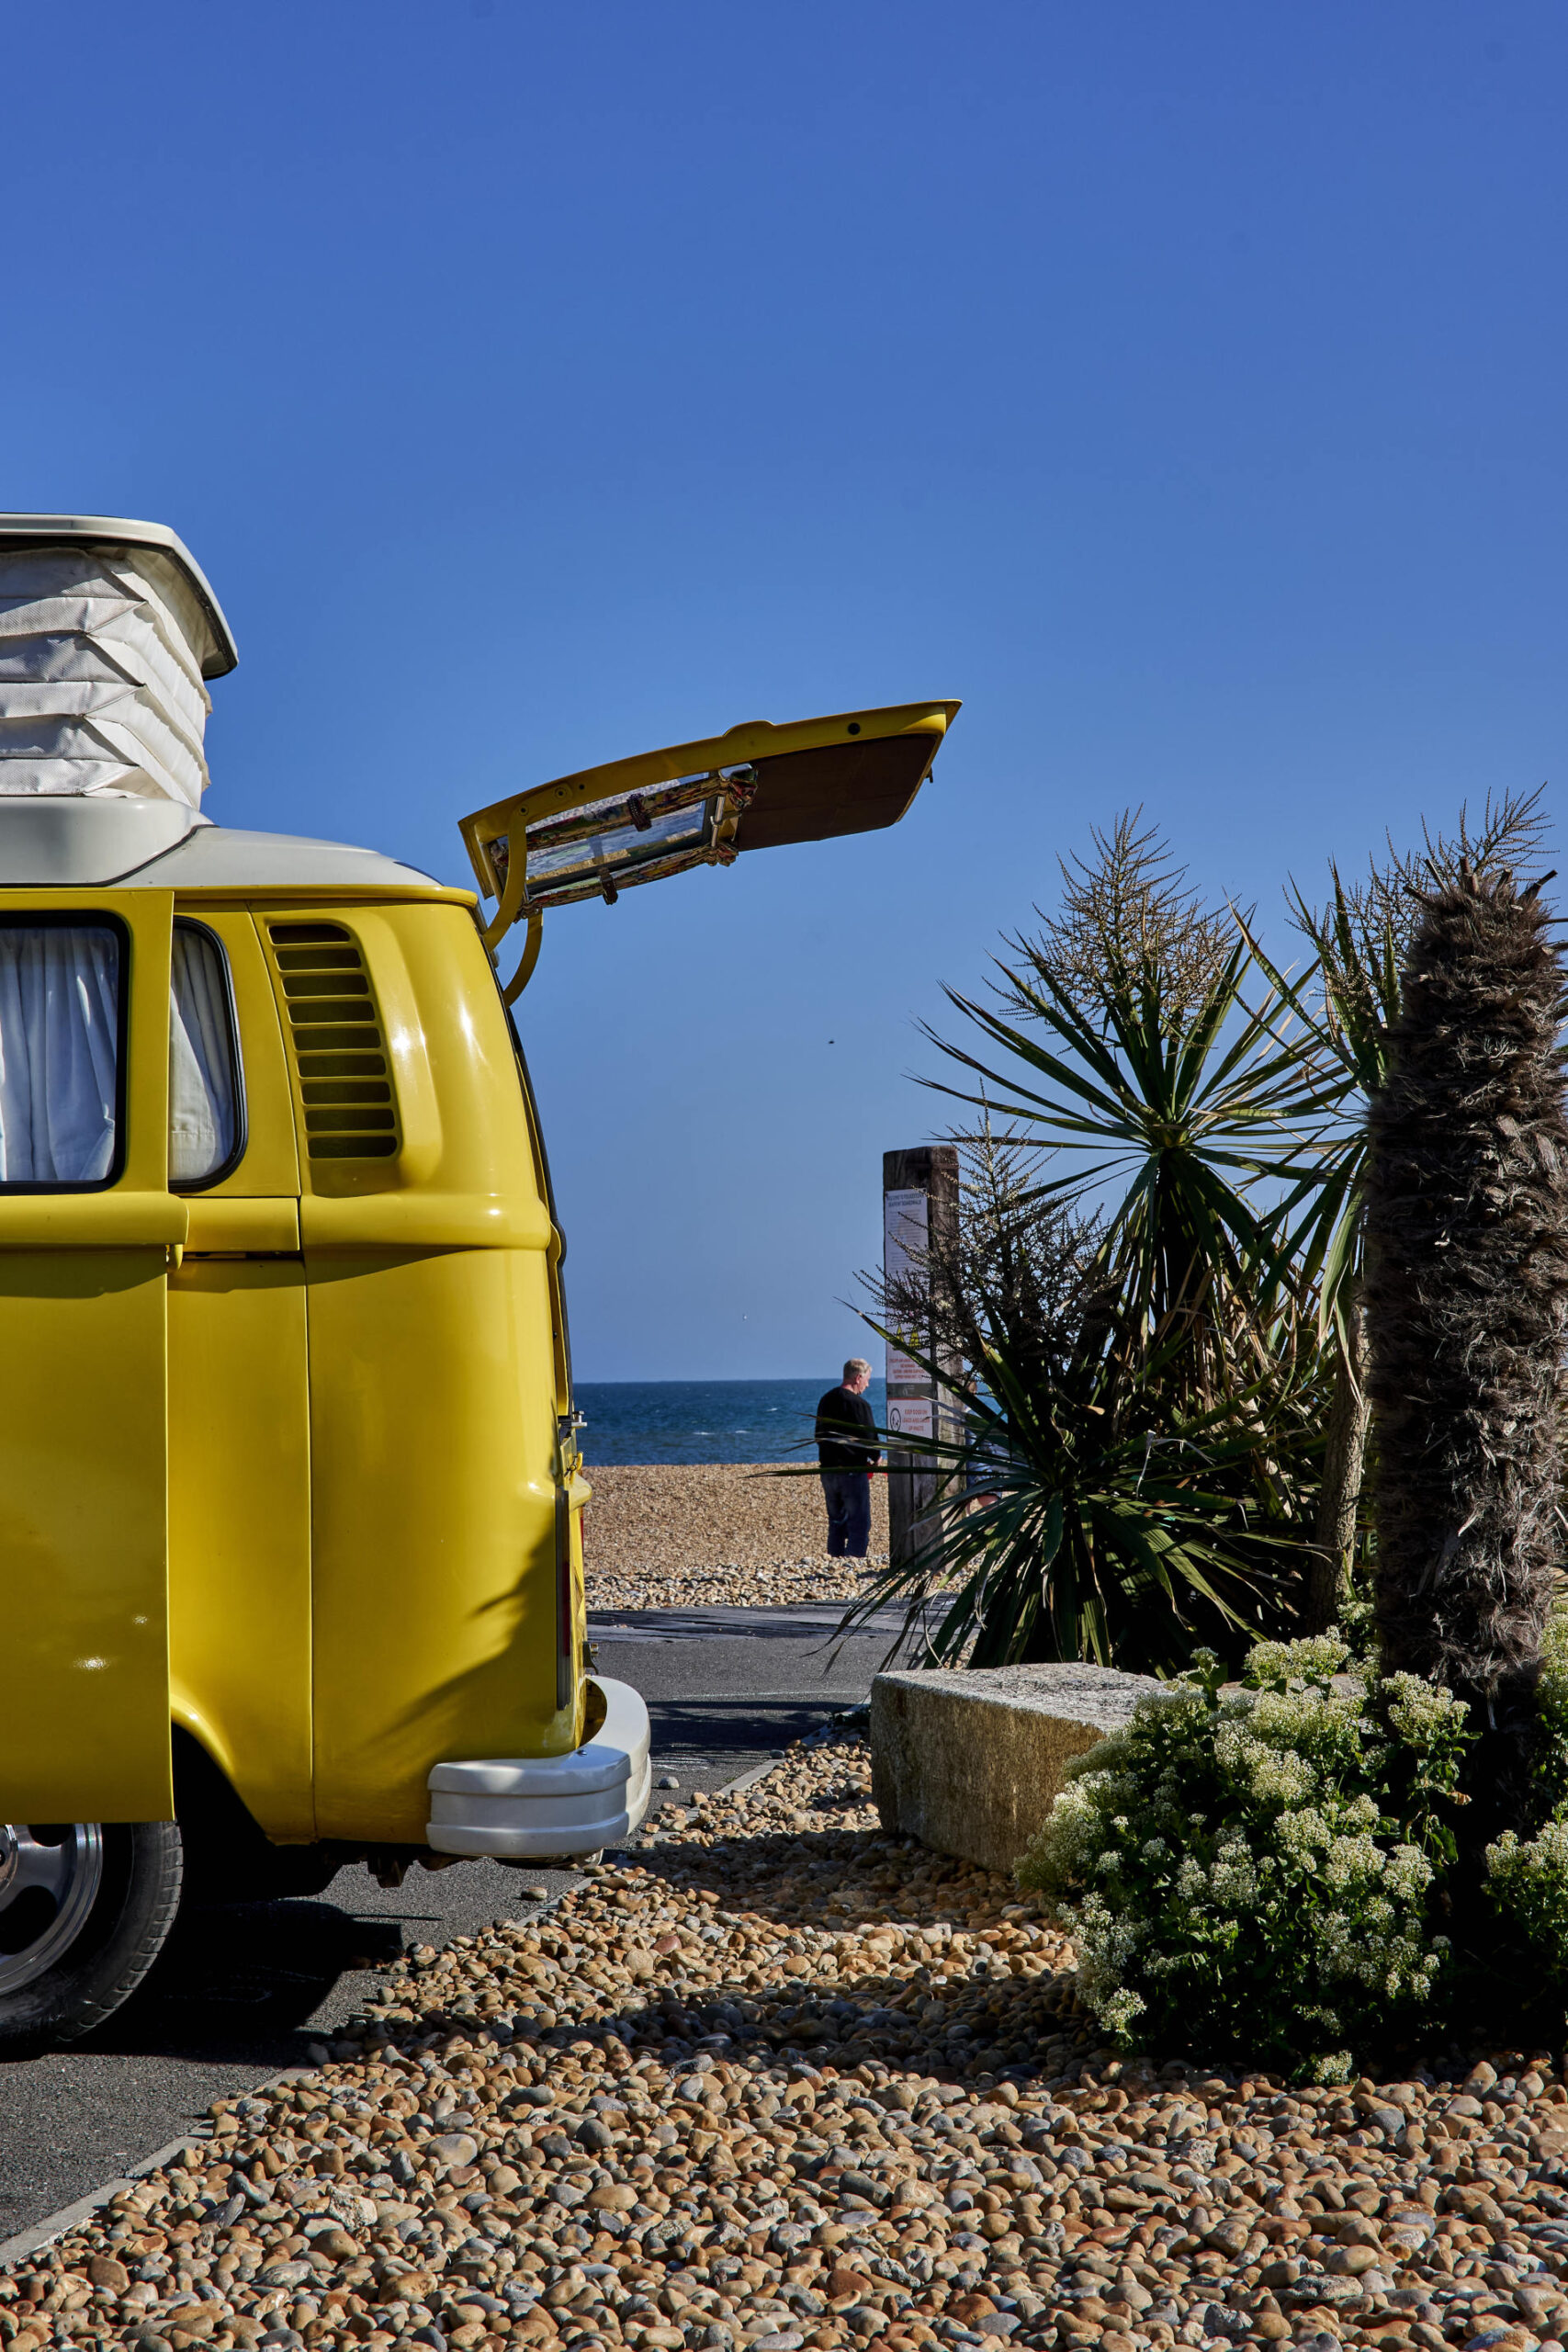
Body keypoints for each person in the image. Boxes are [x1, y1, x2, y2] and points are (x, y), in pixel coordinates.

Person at [815, 1356, 880, 1557]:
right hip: (852, 1471)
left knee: (836, 1521)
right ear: (858, 1377)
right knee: (859, 1523)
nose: (868, 1384)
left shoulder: (826, 1399)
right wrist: (876, 1457)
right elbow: (870, 1437)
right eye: (867, 1379)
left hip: (829, 1470)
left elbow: (818, 1436)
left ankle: (835, 1560)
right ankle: (854, 1562)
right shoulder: (859, 1404)